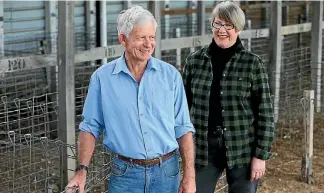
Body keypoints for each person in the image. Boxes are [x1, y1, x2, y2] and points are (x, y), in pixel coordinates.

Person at [66, 5, 196, 193]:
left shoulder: (171, 76)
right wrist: (81, 171)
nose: (148, 44)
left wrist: (189, 177)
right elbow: (90, 126)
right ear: (123, 39)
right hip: (125, 174)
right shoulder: (102, 78)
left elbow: (183, 127)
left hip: (167, 173)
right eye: (141, 37)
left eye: (151, 37)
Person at [182, 1, 275, 193]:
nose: (222, 30)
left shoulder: (252, 64)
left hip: (242, 147)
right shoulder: (195, 61)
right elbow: (182, 106)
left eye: (228, 25)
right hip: (203, 149)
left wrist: (261, 156)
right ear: (212, 25)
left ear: (238, 29)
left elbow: (265, 113)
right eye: (218, 23)